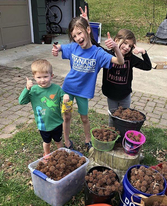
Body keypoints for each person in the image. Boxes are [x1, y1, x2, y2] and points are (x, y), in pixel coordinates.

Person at [52, 16, 124, 150]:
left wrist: (116, 48)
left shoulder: (98, 53)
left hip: (83, 92)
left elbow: (120, 61)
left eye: (79, 33)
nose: (78, 38)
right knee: (66, 116)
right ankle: (67, 142)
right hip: (67, 90)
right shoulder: (73, 47)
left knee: (84, 118)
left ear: (88, 30)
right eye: (74, 36)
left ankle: (87, 140)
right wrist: (56, 49)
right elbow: (61, 47)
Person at [80, 6, 152, 126]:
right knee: (112, 118)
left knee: (125, 119)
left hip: (125, 95)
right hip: (111, 95)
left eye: (130, 46)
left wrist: (143, 52)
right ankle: (112, 137)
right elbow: (92, 42)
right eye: (124, 43)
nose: (126, 47)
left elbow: (147, 66)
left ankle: (122, 138)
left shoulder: (131, 59)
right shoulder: (106, 55)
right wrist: (86, 23)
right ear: (116, 40)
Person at [19, 59, 69, 156]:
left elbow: (66, 105)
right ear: (34, 77)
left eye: (45, 76)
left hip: (57, 123)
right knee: (47, 142)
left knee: (59, 141)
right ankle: (46, 154)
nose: (42, 80)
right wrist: (26, 89)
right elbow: (21, 101)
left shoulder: (57, 88)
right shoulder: (33, 90)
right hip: (43, 125)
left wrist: (66, 98)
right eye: (39, 77)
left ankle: (62, 154)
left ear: (52, 76)